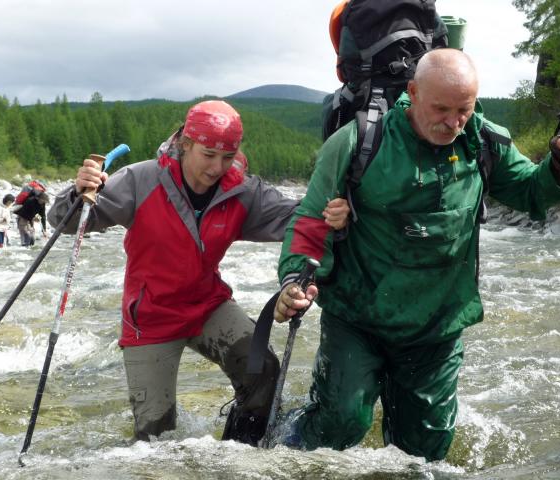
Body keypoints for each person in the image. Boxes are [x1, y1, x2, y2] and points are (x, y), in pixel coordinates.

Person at [272, 49, 560, 461]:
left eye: (463, 110)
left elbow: (528, 190)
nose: (453, 123)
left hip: (437, 325)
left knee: (422, 451)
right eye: (441, 109)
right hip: (358, 318)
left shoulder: (483, 140)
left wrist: (557, 169)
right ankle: (282, 439)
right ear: (413, 92)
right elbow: (311, 218)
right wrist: (296, 279)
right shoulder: (359, 141)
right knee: (340, 425)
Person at [47, 100, 350, 446]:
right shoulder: (139, 180)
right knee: (154, 439)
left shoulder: (241, 190)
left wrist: (332, 214)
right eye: (208, 155)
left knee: (262, 370)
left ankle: (239, 455)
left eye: (227, 156)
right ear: (185, 144)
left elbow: (300, 218)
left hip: (208, 306)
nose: (217, 167)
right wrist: (79, 191)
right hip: (150, 318)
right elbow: (67, 221)